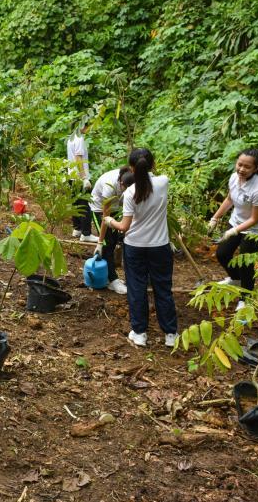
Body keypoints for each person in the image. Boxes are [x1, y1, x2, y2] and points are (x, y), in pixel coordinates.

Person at [103, 148, 177, 348]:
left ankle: (139, 333)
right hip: (159, 246)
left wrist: (109, 221)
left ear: (132, 168)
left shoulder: (130, 193)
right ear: (153, 164)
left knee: (137, 289)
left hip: (135, 247)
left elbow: (124, 227)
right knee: (163, 289)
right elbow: (153, 177)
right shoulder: (163, 182)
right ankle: (170, 334)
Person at [208, 149, 258, 311]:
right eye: (240, 164)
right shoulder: (234, 178)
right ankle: (235, 279)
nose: (242, 169)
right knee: (222, 254)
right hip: (236, 222)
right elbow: (229, 199)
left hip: (254, 230)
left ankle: (245, 298)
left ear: (255, 168)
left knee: (245, 264)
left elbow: (254, 219)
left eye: (247, 167)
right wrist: (215, 218)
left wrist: (233, 231)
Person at [92, 166, 134, 295]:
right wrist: (100, 242)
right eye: (125, 188)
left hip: (116, 209)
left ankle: (109, 276)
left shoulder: (130, 178)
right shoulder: (109, 186)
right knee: (107, 243)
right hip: (100, 209)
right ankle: (112, 280)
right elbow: (106, 216)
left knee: (114, 242)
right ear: (121, 183)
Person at [68, 126, 98, 243]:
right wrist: (84, 177)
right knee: (85, 205)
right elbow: (78, 158)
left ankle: (77, 229)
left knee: (75, 203)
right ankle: (86, 233)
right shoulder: (79, 138)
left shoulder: (71, 138)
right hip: (80, 178)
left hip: (72, 176)